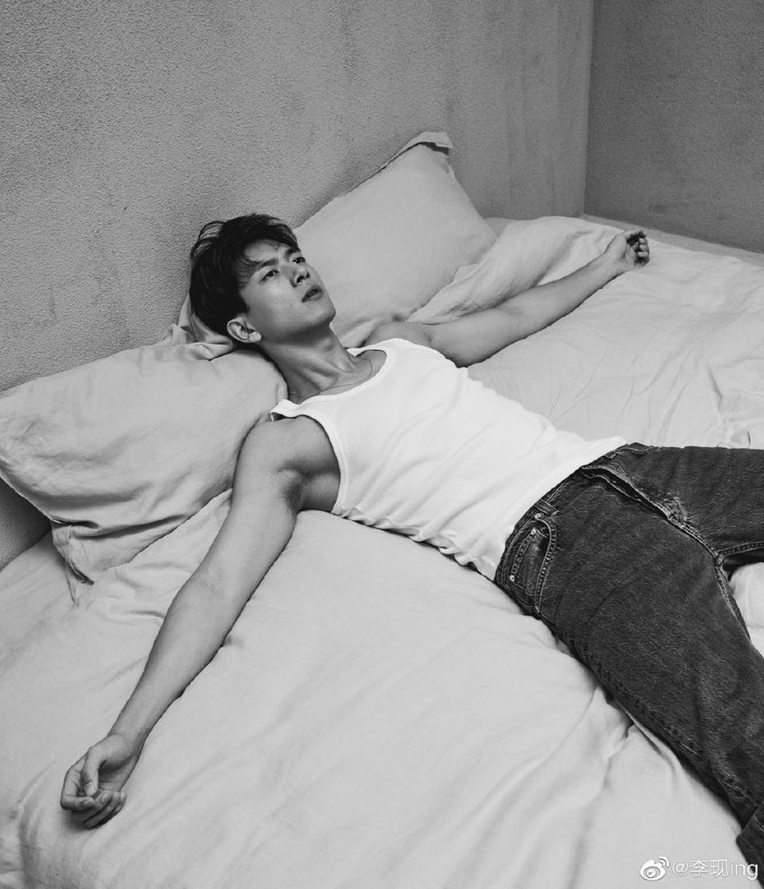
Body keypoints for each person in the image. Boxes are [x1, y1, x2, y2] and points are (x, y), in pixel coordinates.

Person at [60, 214, 764, 880]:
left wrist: (605, 266)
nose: (299, 271)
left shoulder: (400, 342)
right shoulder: (288, 441)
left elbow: (513, 317)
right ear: (244, 325)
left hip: (629, 466)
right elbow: (218, 584)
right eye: (271, 273)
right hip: (567, 545)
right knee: (745, 725)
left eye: (296, 257)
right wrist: (127, 732)